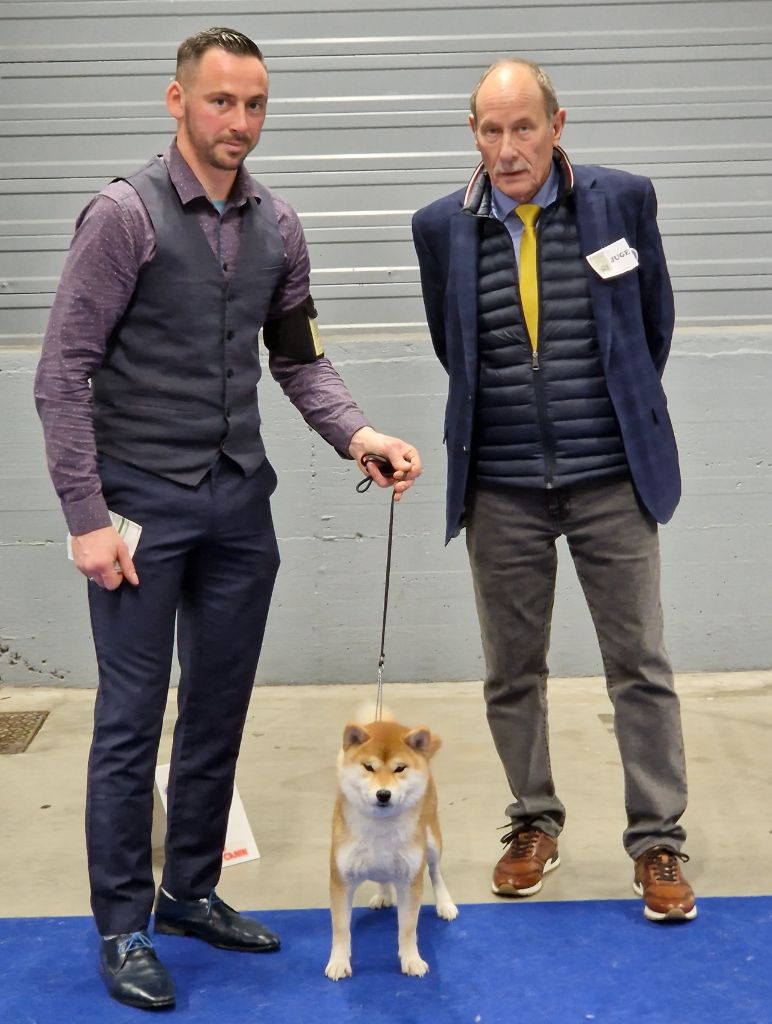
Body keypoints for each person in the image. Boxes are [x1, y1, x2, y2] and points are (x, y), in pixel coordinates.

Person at [34, 27, 421, 1011]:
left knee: (216, 707)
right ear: (176, 102)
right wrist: (85, 515)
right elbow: (61, 373)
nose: (239, 123)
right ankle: (122, 925)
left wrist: (358, 433)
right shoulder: (122, 217)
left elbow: (297, 358)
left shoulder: (278, 225)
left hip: (239, 506)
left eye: (253, 105)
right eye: (220, 103)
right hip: (139, 512)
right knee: (128, 721)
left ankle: (191, 888)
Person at [412, 58, 695, 924]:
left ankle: (657, 840)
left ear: (557, 123)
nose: (507, 148)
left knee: (639, 667)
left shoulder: (622, 200)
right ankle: (533, 821)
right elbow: (450, 345)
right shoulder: (439, 228)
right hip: (500, 484)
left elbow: (654, 325)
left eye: (523, 126)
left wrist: (603, 418)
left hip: (611, 475)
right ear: (474, 135)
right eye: (490, 131)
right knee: (510, 671)